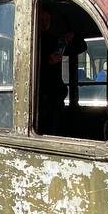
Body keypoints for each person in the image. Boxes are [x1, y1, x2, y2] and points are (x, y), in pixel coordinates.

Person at [36, 7, 85, 135]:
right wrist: (46, 61)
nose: (45, 22)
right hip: (38, 96)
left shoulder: (54, 40)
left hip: (55, 96)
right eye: (41, 19)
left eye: (47, 19)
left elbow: (81, 47)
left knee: (55, 129)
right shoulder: (29, 40)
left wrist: (72, 36)